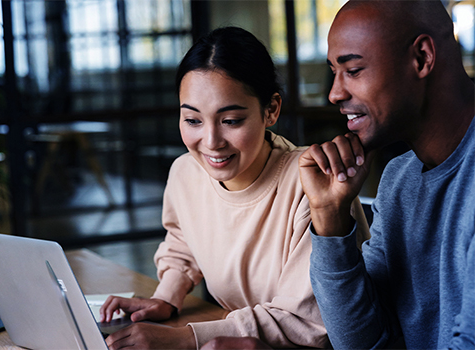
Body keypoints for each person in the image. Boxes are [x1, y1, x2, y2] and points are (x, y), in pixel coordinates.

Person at [100, 26, 366, 349]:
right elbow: (185, 240)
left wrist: (187, 338)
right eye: (193, 120)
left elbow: (308, 321)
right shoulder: (187, 171)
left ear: (271, 110)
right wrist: (166, 296)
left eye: (231, 121)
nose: (210, 143)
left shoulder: (314, 185)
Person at [299, 1, 475, 348]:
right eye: (334, 71)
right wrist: (329, 217)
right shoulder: (399, 180)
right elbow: (363, 342)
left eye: (353, 70)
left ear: (422, 58)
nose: (335, 93)